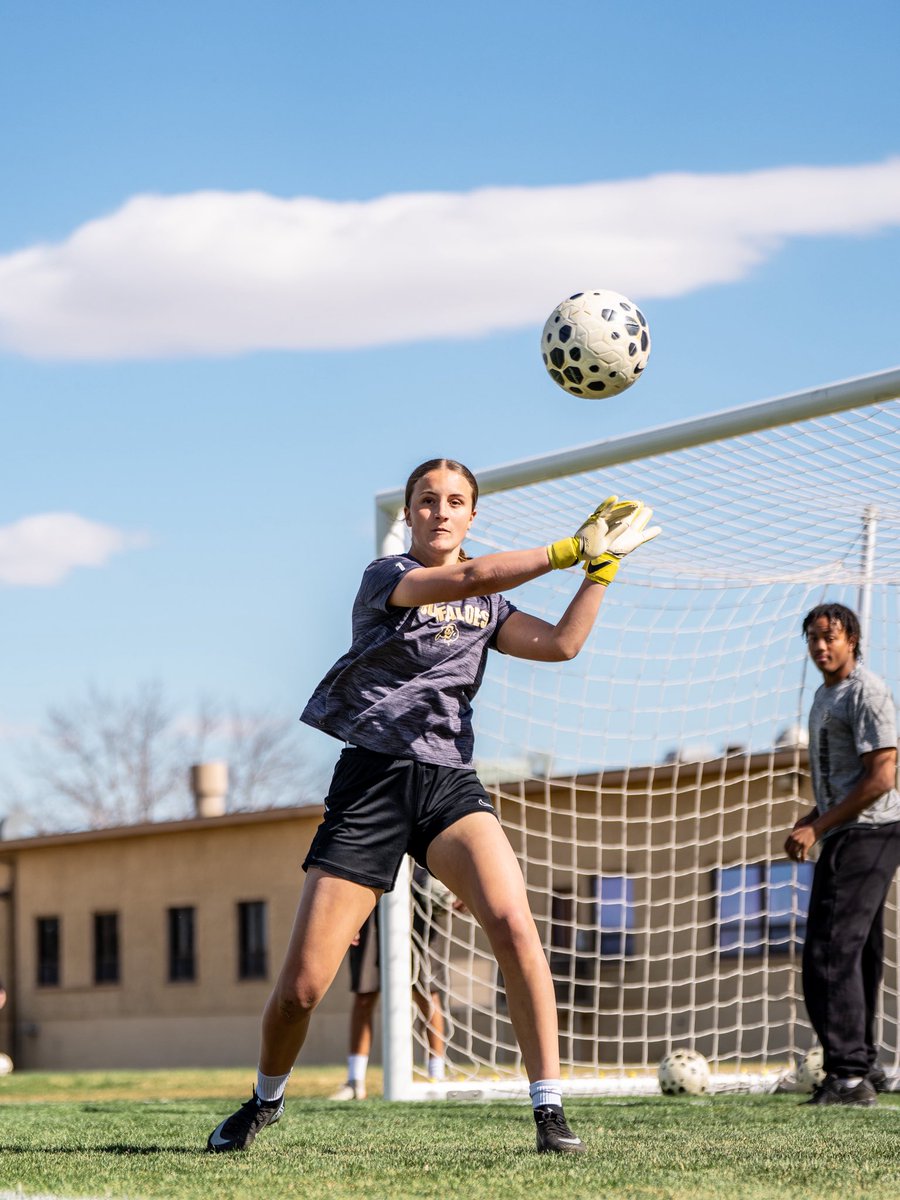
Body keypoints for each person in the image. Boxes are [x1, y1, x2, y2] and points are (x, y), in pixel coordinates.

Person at [207, 457, 659, 1155]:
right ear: (411, 514)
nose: (440, 511)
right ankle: (265, 1101)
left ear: (473, 515)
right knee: (301, 989)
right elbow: (469, 577)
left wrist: (600, 573)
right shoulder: (387, 578)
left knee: (514, 924)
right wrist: (568, 550)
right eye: (427, 500)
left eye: (455, 501)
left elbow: (563, 644)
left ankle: (549, 1110)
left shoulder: (493, 604)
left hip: (448, 785)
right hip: (372, 784)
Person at [784, 602, 900, 1106]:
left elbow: (882, 777)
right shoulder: (823, 695)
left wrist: (822, 826)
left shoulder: (867, 692)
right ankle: (865, 1065)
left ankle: (848, 1077)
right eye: (813, 638)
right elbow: (847, 779)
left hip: (868, 834)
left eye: (830, 636)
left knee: (828, 952)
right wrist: (815, 818)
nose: (820, 646)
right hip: (847, 830)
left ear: (852, 639)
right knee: (860, 954)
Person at [328, 866, 462, 1100]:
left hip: (422, 901)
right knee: (365, 993)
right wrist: (347, 912)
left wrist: (460, 888)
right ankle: (354, 1081)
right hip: (371, 895)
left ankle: (436, 1075)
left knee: (426, 992)